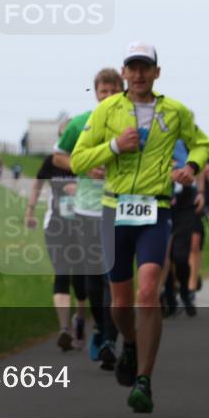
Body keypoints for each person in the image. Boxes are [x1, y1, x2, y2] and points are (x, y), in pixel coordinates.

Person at [71, 42, 209, 414]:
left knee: (147, 291)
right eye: (132, 68)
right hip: (114, 209)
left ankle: (144, 381)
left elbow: (201, 144)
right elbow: (79, 158)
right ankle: (130, 344)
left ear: (156, 73)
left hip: (156, 209)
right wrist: (115, 146)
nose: (138, 74)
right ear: (124, 72)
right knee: (120, 302)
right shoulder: (107, 111)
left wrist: (192, 169)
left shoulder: (175, 111)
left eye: (144, 68)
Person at [53, 68, 124, 370]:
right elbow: (58, 156)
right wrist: (83, 166)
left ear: (121, 92)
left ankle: (109, 336)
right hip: (86, 208)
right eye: (102, 91)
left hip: (120, 210)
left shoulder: (129, 124)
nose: (106, 96)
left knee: (114, 277)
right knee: (92, 278)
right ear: (96, 93)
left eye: (112, 91)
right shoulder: (82, 123)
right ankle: (101, 330)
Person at [25, 135, 89, 351]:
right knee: (61, 272)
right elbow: (37, 185)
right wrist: (30, 211)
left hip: (83, 226)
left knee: (80, 279)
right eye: (64, 138)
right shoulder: (51, 161)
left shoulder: (88, 160)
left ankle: (79, 319)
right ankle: (64, 329)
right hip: (55, 225)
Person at [165, 143, 209, 317]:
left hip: (185, 202)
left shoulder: (186, 141)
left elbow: (197, 166)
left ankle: (185, 291)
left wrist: (200, 192)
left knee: (180, 255)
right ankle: (169, 297)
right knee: (164, 256)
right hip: (162, 196)